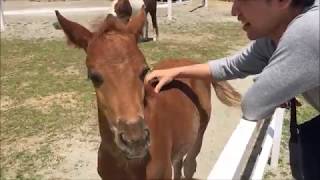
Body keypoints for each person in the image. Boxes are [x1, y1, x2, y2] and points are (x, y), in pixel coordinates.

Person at [144, 0, 319, 178]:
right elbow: (232, 66)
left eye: (242, 1)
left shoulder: (308, 32)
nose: (234, 11)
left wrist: (278, 84)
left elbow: (254, 104)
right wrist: (178, 71)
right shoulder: (277, 34)